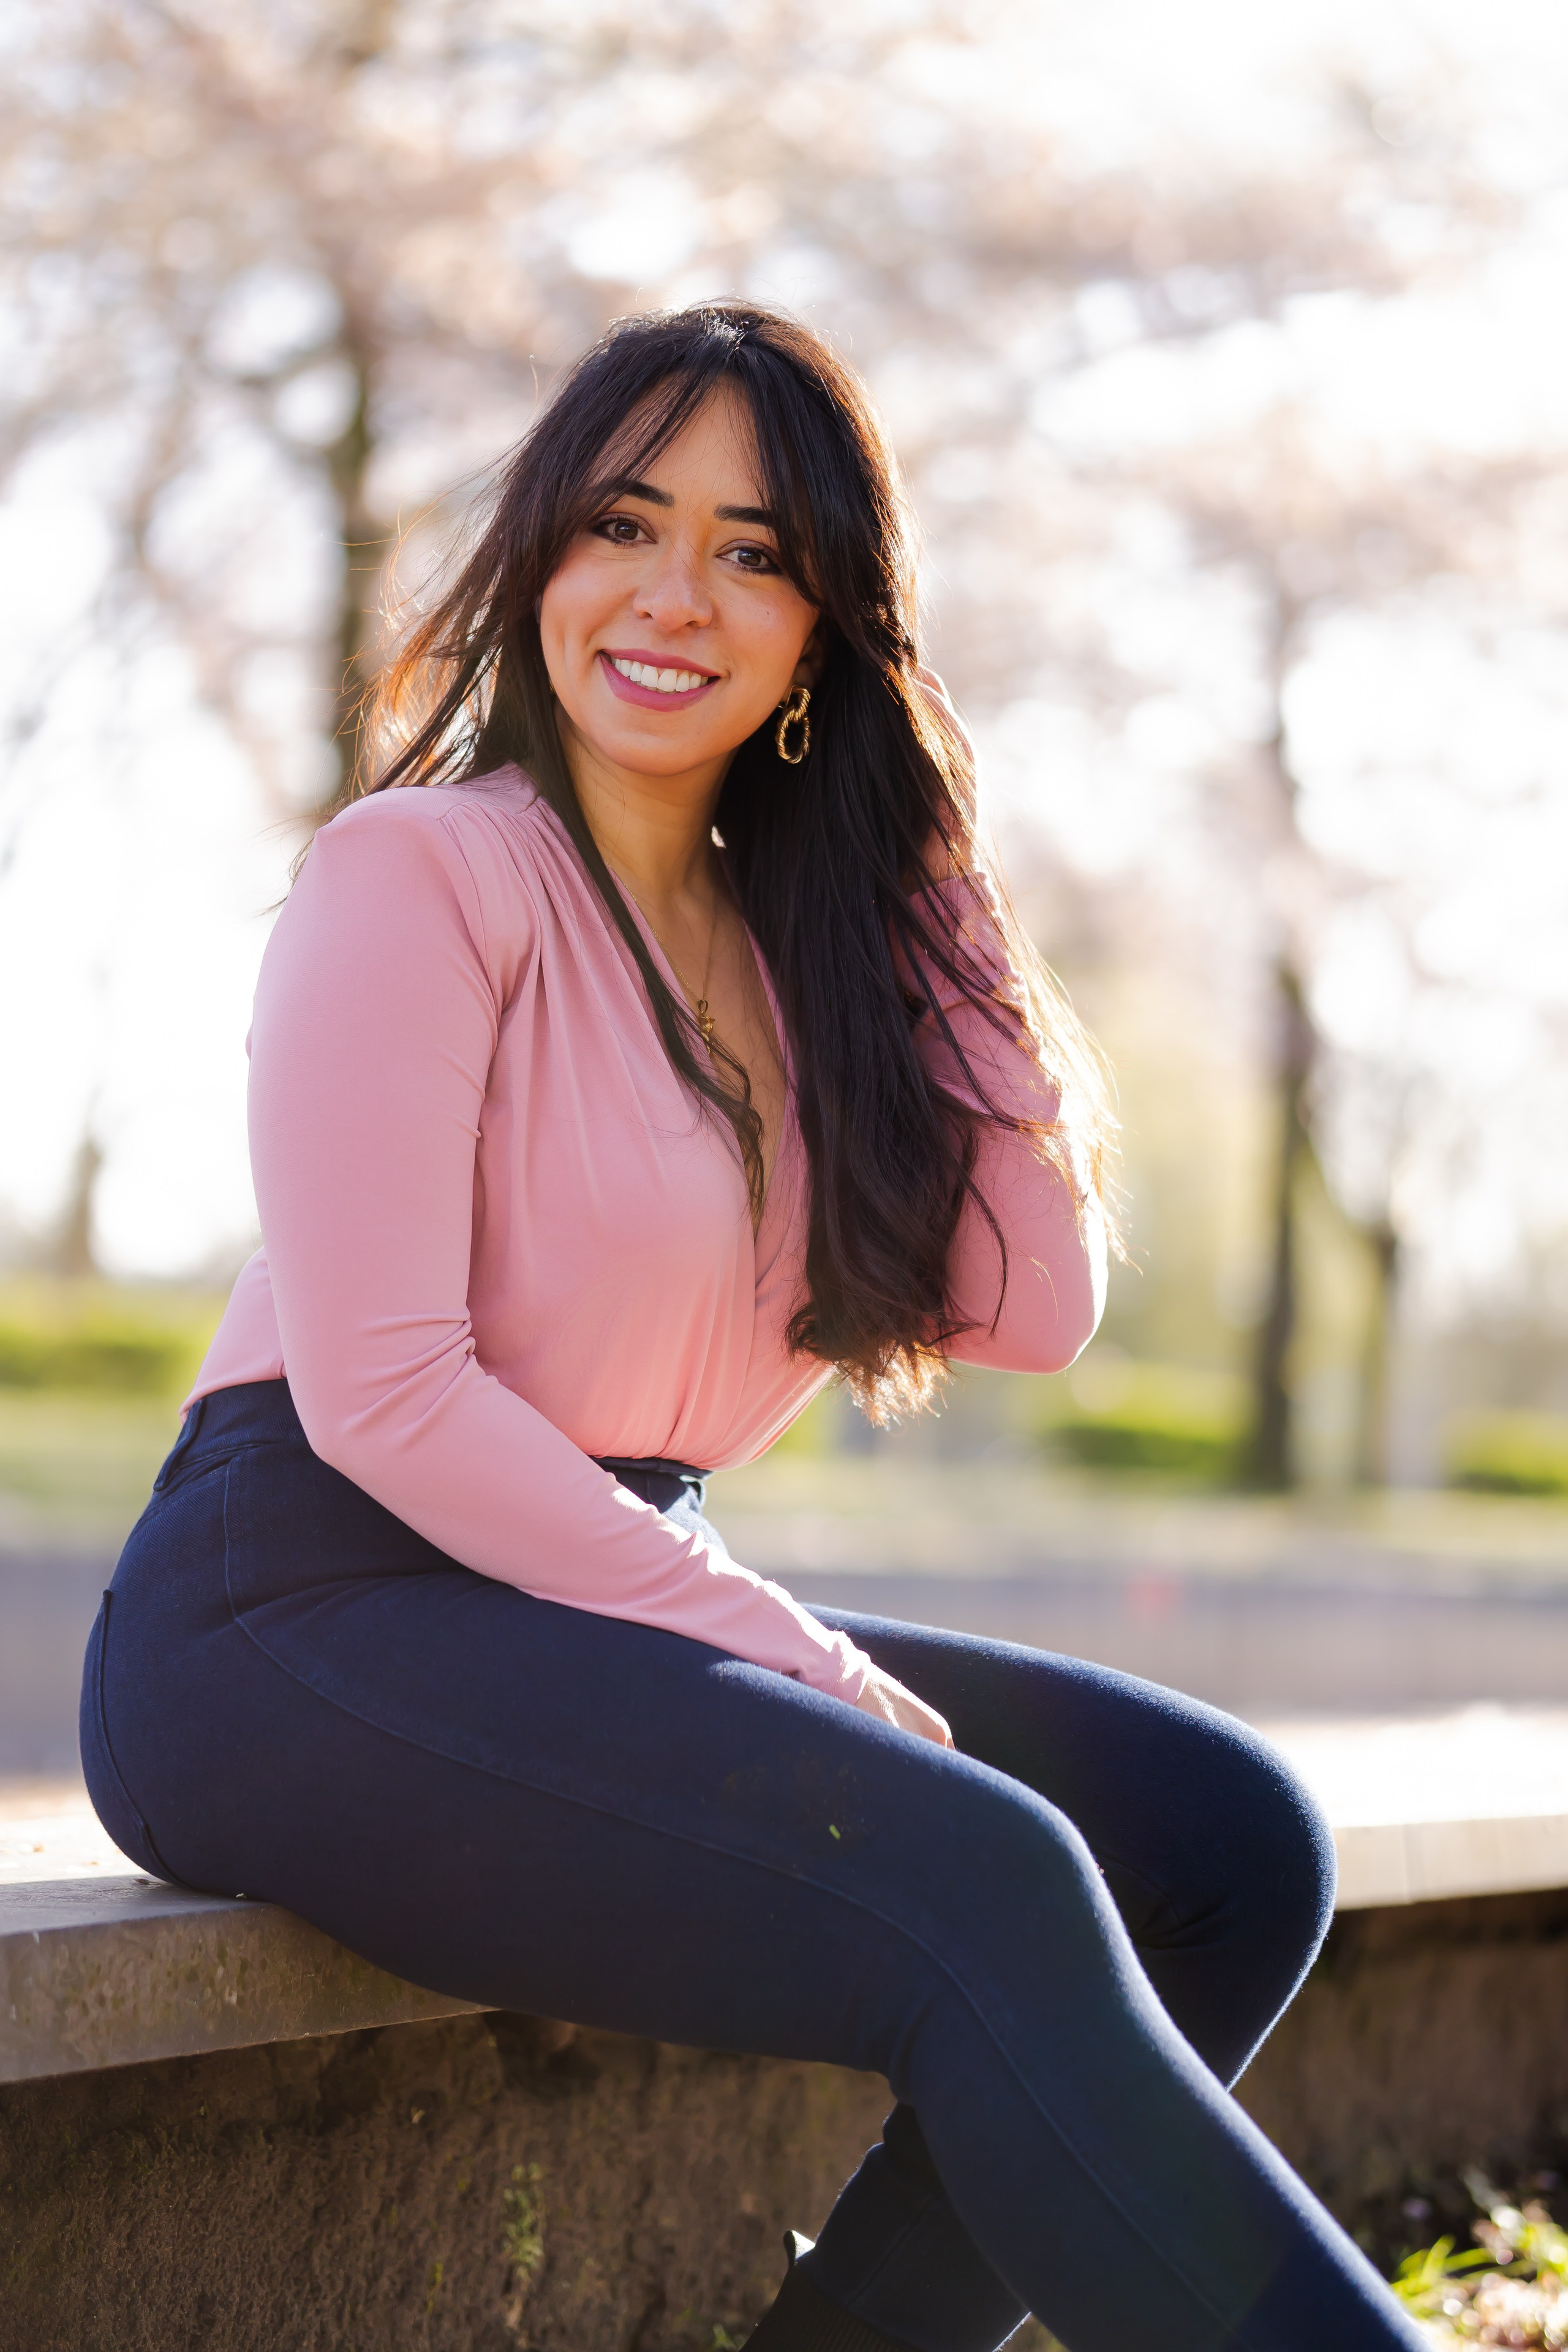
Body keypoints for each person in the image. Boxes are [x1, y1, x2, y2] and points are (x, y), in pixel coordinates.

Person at [81, 302, 1423, 2352]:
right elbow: (383, 1395)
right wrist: (779, 1651)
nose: (675, 594)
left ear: (830, 627)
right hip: (296, 1615)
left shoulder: (810, 960)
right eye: (625, 522)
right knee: (989, 1878)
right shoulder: (419, 873)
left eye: (757, 550)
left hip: (602, 1598)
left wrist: (922, 865)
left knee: (1226, 1846)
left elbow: (1033, 1303)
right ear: (540, 551)